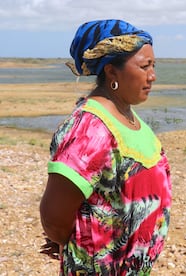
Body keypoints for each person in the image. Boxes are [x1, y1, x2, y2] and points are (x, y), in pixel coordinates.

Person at [39, 19, 172, 275]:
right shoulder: (89, 129)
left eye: (154, 65)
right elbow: (55, 217)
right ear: (111, 72)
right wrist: (79, 241)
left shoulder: (127, 116)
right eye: (145, 66)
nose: (153, 75)